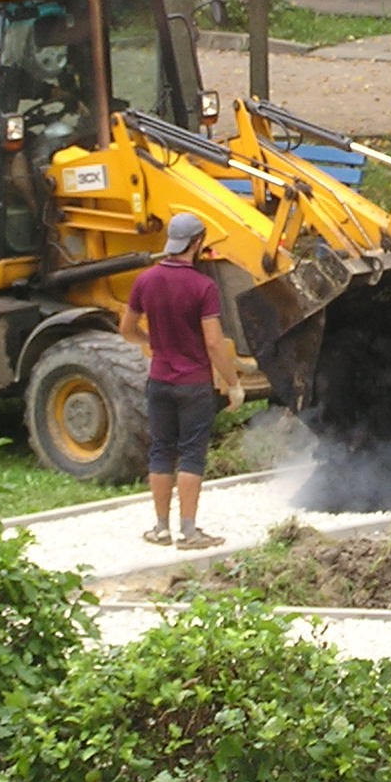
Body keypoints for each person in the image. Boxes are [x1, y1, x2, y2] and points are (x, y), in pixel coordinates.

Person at [119, 212, 245, 549]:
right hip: (193, 385)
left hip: (158, 380)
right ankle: (189, 532)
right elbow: (214, 342)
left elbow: (126, 329)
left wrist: (151, 342)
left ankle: (160, 528)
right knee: (191, 454)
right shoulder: (203, 287)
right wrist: (233, 383)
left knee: (161, 451)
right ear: (198, 242)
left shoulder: (145, 281)